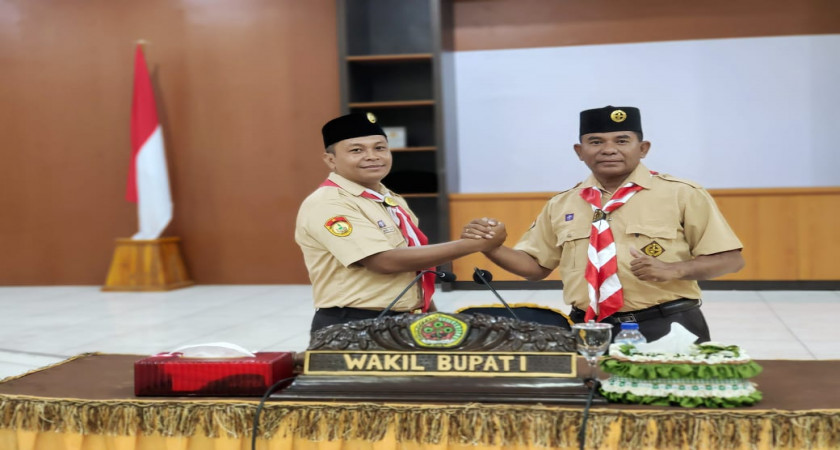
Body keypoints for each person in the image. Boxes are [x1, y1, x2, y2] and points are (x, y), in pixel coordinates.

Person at [463, 106, 744, 342]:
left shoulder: (682, 194)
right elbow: (535, 267)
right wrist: (491, 247)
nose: (609, 150)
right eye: (596, 142)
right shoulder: (562, 204)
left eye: (622, 141)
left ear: (643, 148)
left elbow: (730, 259)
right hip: (588, 329)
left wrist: (674, 269)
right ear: (579, 151)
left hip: (666, 325)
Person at [296, 112, 505, 333]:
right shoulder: (330, 203)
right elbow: (383, 261)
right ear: (331, 160)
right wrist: (473, 244)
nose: (372, 156)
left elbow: (412, 267)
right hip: (354, 323)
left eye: (380, 148)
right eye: (357, 150)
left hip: (405, 318)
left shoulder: (391, 200)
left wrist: (430, 314)